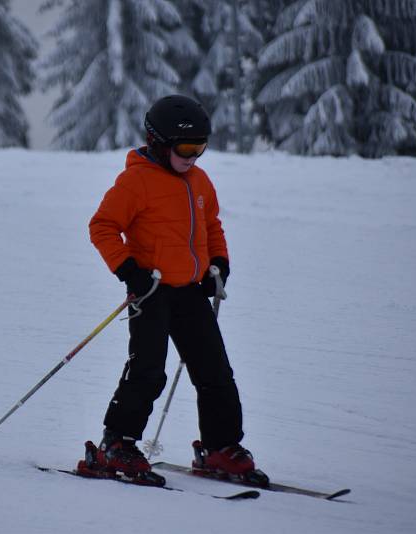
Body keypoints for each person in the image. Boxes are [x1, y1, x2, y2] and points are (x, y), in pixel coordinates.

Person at [86, 95, 265, 484]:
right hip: (150, 292)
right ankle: (116, 443)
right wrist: (129, 271)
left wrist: (218, 263)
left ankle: (219, 447)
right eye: (186, 148)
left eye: (201, 147)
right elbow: (101, 226)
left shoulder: (198, 180)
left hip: (189, 291)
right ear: (158, 142)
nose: (194, 157)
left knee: (215, 371)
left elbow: (211, 224)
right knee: (148, 371)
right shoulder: (135, 181)